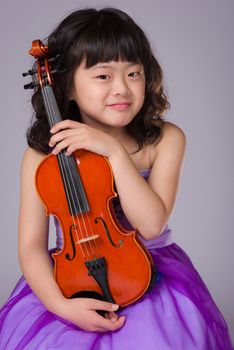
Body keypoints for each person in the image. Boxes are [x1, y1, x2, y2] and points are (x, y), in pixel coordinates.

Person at [0, 7, 233, 350]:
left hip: (152, 276)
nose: (122, 88)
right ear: (67, 88)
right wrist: (61, 305)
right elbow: (31, 247)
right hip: (72, 280)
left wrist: (113, 152)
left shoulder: (165, 139)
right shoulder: (41, 155)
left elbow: (151, 225)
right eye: (103, 76)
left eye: (134, 73)